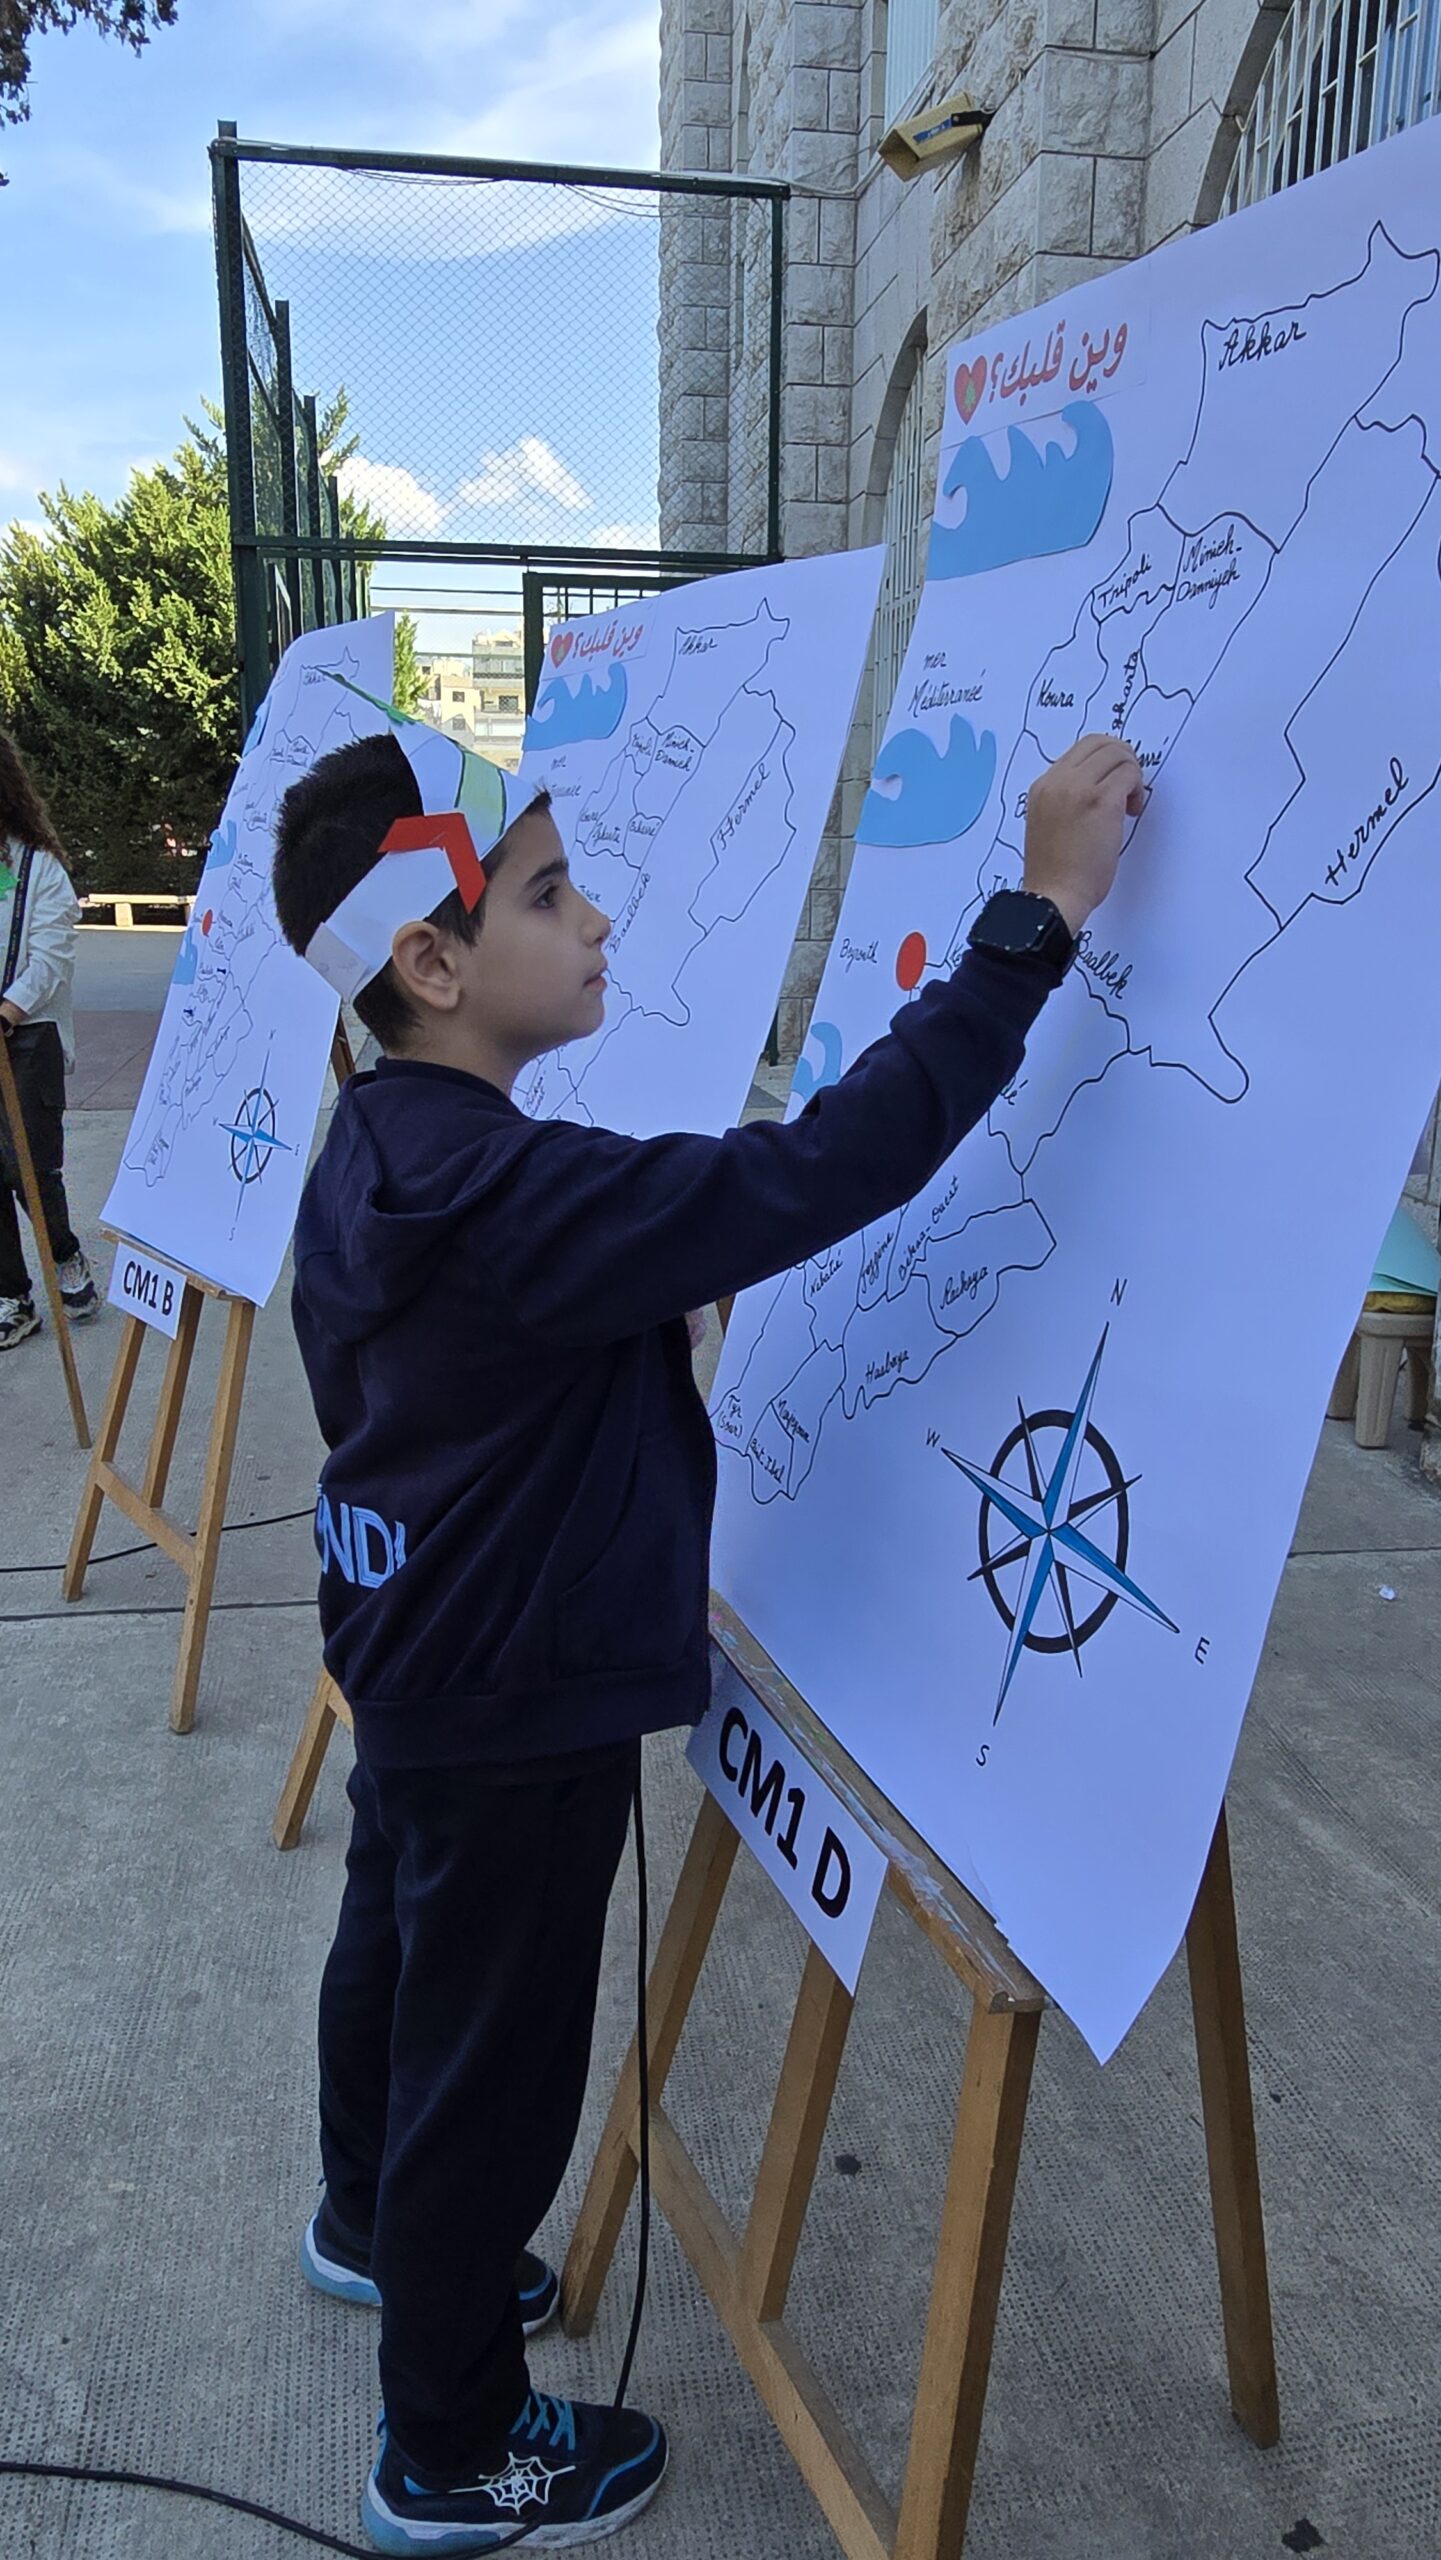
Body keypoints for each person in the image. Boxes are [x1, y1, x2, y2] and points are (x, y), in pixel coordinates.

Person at [272, 723, 1143, 2555]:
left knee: (399, 1969)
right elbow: (825, 1164)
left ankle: (371, 2227)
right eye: (547, 895)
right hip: (518, 1706)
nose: (595, 919)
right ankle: (450, 2446)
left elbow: (440, 1370)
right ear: (432, 960)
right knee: (494, 2072)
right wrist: (1040, 915)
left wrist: (602, 1343)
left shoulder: (379, 1151)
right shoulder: (516, 1198)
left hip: (413, 1660)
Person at [0, 729, 98, 1349]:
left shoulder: (40, 869)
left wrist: (8, 1011)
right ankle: (12, 1295)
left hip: (27, 1035)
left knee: (29, 1167)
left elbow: (51, 957)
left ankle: (63, 1254)